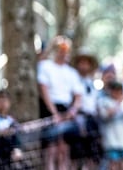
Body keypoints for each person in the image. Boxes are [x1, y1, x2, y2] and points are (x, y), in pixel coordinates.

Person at [37, 35, 84, 170]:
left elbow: (78, 96)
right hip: (49, 109)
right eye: (60, 49)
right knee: (51, 148)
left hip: (67, 110)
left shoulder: (72, 72)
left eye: (65, 50)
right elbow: (43, 90)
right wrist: (54, 113)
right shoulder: (45, 66)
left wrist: (73, 111)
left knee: (64, 149)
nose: (63, 52)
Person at [68, 53, 102, 169]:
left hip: (92, 120)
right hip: (78, 119)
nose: (84, 66)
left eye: (86, 63)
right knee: (76, 153)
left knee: (93, 153)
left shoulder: (92, 82)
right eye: (81, 63)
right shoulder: (73, 79)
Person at [97, 80, 123, 170]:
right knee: (113, 163)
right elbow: (105, 115)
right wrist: (119, 102)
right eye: (115, 90)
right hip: (111, 139)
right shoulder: (103, 101)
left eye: (119, 90)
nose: (118, 93)